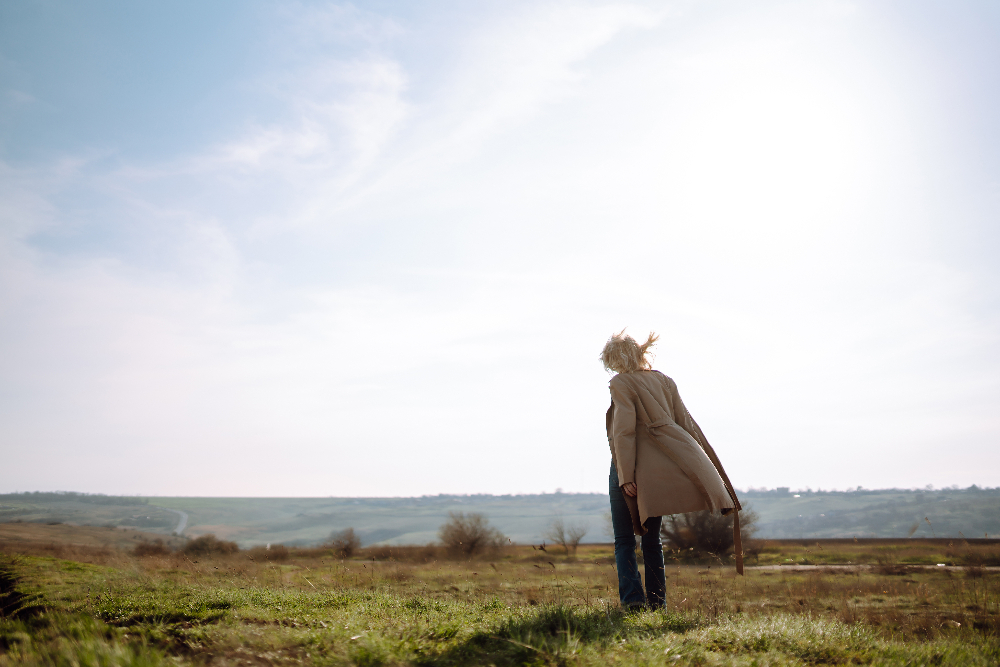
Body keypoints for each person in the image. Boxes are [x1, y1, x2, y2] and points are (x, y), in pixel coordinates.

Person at [602, 330, 743, 610]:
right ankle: (657, 604)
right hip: (661, 468)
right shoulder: (665, 381)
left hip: (630, 466)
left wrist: (626, 475)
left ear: (615, 360)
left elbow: (624, 433)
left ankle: (632, 602)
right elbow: (685, 426)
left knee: (624, 539)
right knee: (652, 540)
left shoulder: (621, 383)